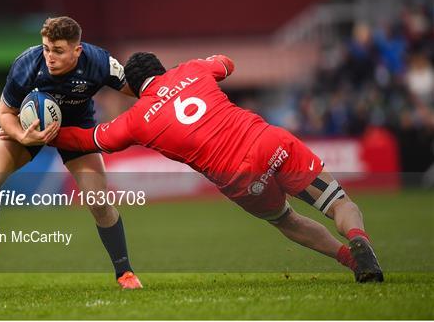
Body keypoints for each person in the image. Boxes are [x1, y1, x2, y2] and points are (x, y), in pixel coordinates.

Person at [50, 52, 384, 283]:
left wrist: (42, 133)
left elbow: (88, 139)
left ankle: (350, 260)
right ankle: (359, 239)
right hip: (269, 142)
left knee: (287, 219)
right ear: (162, 68)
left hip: (238, 178)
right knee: (338, 202)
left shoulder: (137, 119)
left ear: (134, 89)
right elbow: (227, 63)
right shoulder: (192, 69)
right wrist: (205, 64)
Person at [0, 16, 142, 289]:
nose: (50, 57)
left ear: (78, 50)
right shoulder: (27, 64)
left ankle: (124, 272)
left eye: (59, 51)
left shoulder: (99, 62)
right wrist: (21, 135)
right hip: (28, 129)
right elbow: (4, 113)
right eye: (46, 49)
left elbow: (136, 90)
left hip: (76, 130)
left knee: (99, 201)